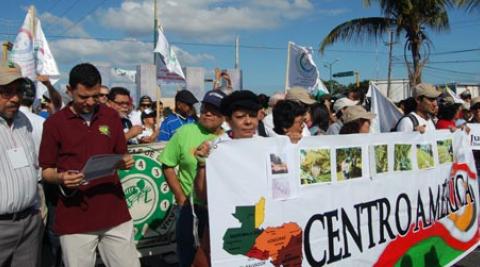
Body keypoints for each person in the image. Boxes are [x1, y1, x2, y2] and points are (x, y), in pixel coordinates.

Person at [39, 63, 139, 267]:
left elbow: (122, 154)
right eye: (83, 97)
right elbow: (46, 170)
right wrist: (61, 177)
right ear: (69, 91)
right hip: (75, 217)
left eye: (96, 96)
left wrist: (125, 161)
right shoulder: (54, 123)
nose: (90, 102)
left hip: (114, 212)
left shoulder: (110, 116)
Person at [159, 90, 226, 267]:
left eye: (215, 110)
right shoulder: (184, 132)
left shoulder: (229, 138)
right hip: (191, 208)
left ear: (224, 116)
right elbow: (167, 165)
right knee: (188, 255)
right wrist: (180, 197)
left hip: (221, 209)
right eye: (205, 108)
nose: (208, 113)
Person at [0, 64, 43, 267]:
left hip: (29, 222)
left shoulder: (23, 120)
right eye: (6, 92)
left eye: (18, 91)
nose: (15, 98)